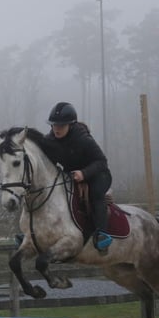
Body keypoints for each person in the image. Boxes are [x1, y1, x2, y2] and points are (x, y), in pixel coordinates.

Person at [45, 101, 112, 251]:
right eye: (54, 125)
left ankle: (102, 235)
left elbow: (102, 161)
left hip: (98, 175)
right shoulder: (50, 140)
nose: (57, 129)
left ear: (70, 125)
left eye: (61, 126)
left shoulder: (83, 139)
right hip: (72, 177)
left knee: (95, 195)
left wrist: (84, 173)